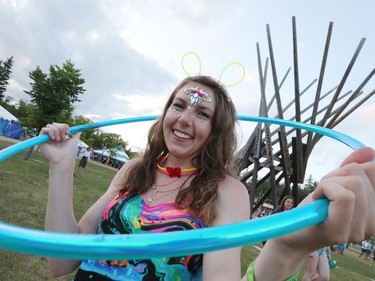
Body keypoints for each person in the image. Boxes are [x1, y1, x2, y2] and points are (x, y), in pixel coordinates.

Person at [38, 75, 375, 281]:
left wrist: (288, 247)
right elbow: (61, 260)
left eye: (201, 113)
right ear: (166, 112)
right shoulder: (135, 169)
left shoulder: (226, 191)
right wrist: (61, 167)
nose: (185, 119)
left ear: (217, 130)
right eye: (179, 105)